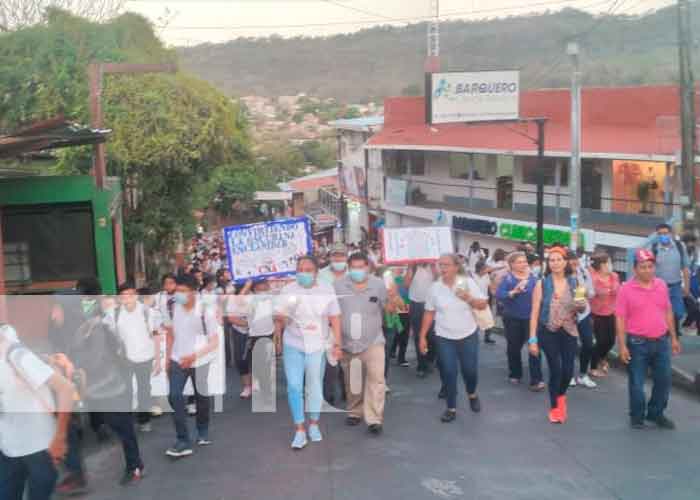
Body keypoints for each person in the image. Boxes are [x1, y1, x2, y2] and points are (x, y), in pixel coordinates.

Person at [58, 279, 145, 488]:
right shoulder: (79, 327)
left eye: (58, 308)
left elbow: (96, 359)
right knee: (78, 426)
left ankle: (135, 466)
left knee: (122, 426)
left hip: (110, 387)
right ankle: (77, 475)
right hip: (94, 388)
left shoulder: (93, 326)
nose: (55, 313)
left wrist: (71, 364)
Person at [274, 256, 342, 450]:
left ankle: (313, 424)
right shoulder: (288, 290)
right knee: (294, 386)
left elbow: (335, 317)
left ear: (316, 272)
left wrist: (337, 343)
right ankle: (299, 429)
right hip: (292, 343)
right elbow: (279, 317)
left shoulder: (326, 289)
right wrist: (278, 330)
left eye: (308, 269)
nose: (303, 273)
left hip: (317, 344)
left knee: (314, 384)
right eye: (300, 269)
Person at [0, 324, 74, 500]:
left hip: (39, 449)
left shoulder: (17, 356)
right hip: (8, 450)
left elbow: (66, 389)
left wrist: (59, 438)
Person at [616, 249, 682, 429]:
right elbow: (620, 319)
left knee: (664, 380)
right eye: (643, 267)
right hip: (637, 343)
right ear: (635, 269)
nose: (647, 270)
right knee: (637, 383)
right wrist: (622, 346)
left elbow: (668, 311)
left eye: (650, 267)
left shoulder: (661, 285)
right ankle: (637, 416)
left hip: (661, 341)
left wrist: (674, 338)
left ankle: (656, 413)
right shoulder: (625, 289)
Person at [419, 254, 488, 422]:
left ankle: (472, 394)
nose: (442, 268)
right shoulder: (434, 288)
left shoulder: (468, 282)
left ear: (456, 267)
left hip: (467, 334)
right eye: (440, 265)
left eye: (446, 265)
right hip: (444, 336)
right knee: (449, 371)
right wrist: (422, 337)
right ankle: (451, 407)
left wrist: (468, 298)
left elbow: (483, 304)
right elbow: (429, 312)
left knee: (469, 371)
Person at [335, 252, 393, 435]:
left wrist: (393, 298)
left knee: (377, 380)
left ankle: (374, 419)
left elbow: (389, 309)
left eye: (361, 267)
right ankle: (354, 411)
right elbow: (331, 313)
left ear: (368, 267)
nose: (357, 271)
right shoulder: (338, 286)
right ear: (348, 268)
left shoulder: (378, 284)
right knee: (353, 381)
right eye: (354, 268)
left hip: (374, 341)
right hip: (348, 343)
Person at [165, 274, 219, 458]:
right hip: (177, 359)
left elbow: (214, 342)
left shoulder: (205, 310)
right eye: (176, 290)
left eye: (183, 291)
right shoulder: (172, 306)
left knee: (201, 398)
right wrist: (167, 359)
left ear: (194, 292)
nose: (178, 294)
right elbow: (171, 334)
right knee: (174, 396)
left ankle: (202, 430)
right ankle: (183, 440)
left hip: (199, 360)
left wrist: (194, 356)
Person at [529, 246, 583, 424]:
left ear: (565, 262)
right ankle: (555, 407)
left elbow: (581, 308)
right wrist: (533, 340)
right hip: (548, 331)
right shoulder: (542, 284)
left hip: (569, 331)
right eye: (551, 260)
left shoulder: (574, 283)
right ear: (548, 263)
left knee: (568, 371)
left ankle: (561, 396)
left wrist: (580, 305)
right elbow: (535, 313)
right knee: (556, 369)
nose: (555, 263)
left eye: (559, 259)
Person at [109, 283, 162, 433]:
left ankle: (144, 420)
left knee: (144, 389)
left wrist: (158, 361)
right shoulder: (114, 314)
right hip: (125, 359)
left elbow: (156, 336)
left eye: (131, 295)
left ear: (136, 295)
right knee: (125, 389)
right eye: (124, 295)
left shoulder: (147, 312)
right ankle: (126, 422)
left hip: (145, 357)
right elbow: (110, 336)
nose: (128, 298)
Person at [496, 252, 544, 390]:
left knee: (534, 348)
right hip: (512, 319)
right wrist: (513, 292)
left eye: (524, 261)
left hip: (531, 320)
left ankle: (536, 379)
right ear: (512, 265)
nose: (523, 264)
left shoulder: (533, 279)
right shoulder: (508, 279)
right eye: (519, 262)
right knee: (513, 347)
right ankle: (515, 373)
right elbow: (499, 295)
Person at [317, 243, 349, 405]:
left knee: (347, 359)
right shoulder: (320, 275)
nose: (338, 259)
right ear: (330, 257)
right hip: (327, 323)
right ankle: (327, 393)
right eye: (335, 255)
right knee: (329, 361)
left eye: (341, 255)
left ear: (346, 257)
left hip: (350, 322)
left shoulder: (354, 274)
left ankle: (346, 391)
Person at [646, 223, 690, 337]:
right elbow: (648, 269)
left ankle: (671, 330)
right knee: (660, 313)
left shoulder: (680, 246)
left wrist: (687, 287)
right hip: (659, 287)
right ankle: (667, 335)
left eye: (665, 233)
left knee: (679, 313)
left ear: (670, 234)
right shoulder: (653, 248)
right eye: (660, 234)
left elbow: (685, 267)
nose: (663, 236)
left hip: (676, 286)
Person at [567, 250, 597, 389]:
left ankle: (583, 374)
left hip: (584, 313)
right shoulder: (561, 274)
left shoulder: (583, 272)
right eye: (571, 260)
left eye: (576, 260)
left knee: (588, 344)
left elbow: (591, 292)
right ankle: (569, 375)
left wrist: (584, 292)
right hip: (567, 315)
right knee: (570, 345)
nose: (574, 262)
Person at [589, 252, 620, 378]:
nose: (610, 265)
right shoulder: (593, 278)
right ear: (602, 265)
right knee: (601, 341)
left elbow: (619, 293)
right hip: (597, 314)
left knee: (611, 341)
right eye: (608, 262)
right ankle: (593, 366)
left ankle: (602, 358)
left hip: (612, 312)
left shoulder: (615, 276)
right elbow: (588, 295)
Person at [405, 262, 437, 378]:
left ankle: (430, 359)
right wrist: (410, 269)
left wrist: (433, 266)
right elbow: (406, 285)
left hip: (432, 305)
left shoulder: (433, 265)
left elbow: (439, 280)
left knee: (432, 336)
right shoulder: (412, 267)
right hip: (416, 305)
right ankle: (421, 365)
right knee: (419, 336)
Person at [388, 266, 411, 367]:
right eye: (398, 267)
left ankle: (399, 356)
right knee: (396, 334)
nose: (401, 268)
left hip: (405, 310)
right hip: (394, 310)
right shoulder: (389, 279)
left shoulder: (405, 280)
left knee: (401, 334)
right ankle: (394, 354)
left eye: (403, 267)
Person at [472, 260, 496, 345]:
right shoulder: (472, 276)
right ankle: (473, 337)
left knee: (488, 320)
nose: (487, 270)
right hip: (474, 302)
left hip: (485, 300)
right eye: (486, 268)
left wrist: (495, 295)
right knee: (474, 320)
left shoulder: (486, 276)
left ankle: (487, 337)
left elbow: (490, 287)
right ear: (481, 269)